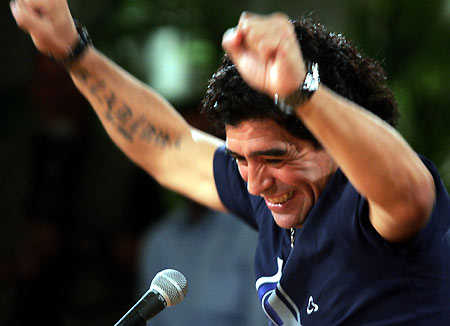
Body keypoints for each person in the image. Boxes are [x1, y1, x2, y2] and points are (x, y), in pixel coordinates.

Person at [11, 0, 450, 325]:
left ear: (332, 142)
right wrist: (72, 50)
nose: (256, 184)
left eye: (275, 157)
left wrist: (303, 92)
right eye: (241, 158)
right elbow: (169, 147)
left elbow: (406, 188)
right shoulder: (268, 194)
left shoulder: (367, 205)